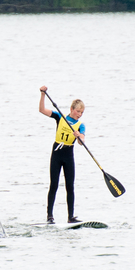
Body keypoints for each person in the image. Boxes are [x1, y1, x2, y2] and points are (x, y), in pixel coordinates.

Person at [39, 86, 86, 224]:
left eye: (82, 112)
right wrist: (42, 94)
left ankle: (71, 217)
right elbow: (42, 110)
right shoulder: (60, 116)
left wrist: (79, 137)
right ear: (71, 109)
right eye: (78, 111)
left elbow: (82, 142)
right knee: (53, 184)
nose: (79, 114)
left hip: (68, 154)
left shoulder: (80, 125)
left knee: (70, 186)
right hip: (57, 153)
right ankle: (50, 216)